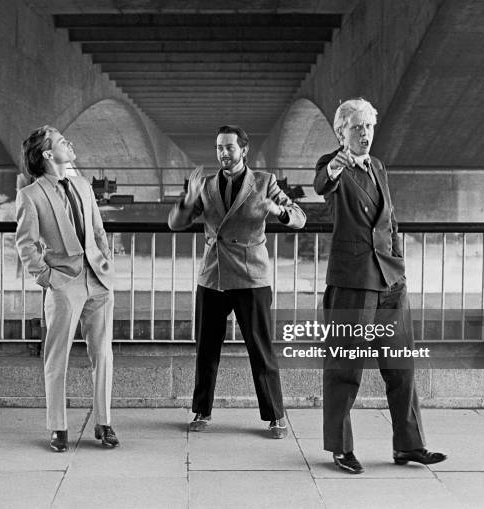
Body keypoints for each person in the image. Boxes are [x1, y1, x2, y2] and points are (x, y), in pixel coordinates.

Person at [314, 98, 446, 473]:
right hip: (353, 282)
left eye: (369, 127)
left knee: (401, 367)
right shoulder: (332, 165)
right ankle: (341, 448)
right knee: (345, 367)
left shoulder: (378, 167)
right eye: (356, 127)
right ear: (342, 133)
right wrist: (337, 165)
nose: (365, 134)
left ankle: (410, 446)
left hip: (390, 282)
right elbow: (322, 183)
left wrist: (400, 266)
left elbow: (391, 221)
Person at [169, 125, 306, 438]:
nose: (223, 153)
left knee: (261, 350)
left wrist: (279, 211)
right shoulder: (203, 186)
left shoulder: (265, 182)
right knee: (206, 350)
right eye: (219, 147)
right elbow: (176, 224)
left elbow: (300, 216)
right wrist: (188, 202)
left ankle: (275, 416)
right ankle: (201, 411)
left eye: (229, 147)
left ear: (244, 150)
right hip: (213, 275)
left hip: (251, 277)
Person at [15, 126, 119, 452]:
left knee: (103, 354)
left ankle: (104, 422)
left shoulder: (84, 185)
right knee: (56, 357)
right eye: (61, 141)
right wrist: (50, 280)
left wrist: (106, 266)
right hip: (63, 284)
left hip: (98, 283)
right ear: (48, 154)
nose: (68, 143)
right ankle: (58, 427)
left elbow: (99, 231)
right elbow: (26, 246)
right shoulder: (31, 195)